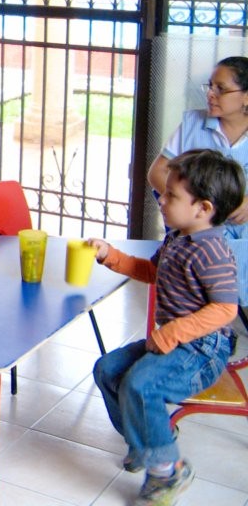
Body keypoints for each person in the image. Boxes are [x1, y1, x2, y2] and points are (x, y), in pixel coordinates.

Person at [91, 148, 242, 505]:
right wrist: (111, 256)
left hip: (202, 351)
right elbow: (153, 272)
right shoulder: (177, 237)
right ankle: (146, 441)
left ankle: (168, 470)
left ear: (203, 208)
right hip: (172, 341)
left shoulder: (212, 252)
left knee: (141, 386)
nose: (161, 200)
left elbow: (225, 309)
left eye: (172, 196)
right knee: (107, 369)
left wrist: (172, 332)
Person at [148, 56, 248, 300]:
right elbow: (157, 173)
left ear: (246, 97)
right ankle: (219, 309)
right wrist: (191, 208)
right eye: (210, 86)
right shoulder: (193, 123)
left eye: (221, 89)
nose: (211, 94)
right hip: (199, 227)